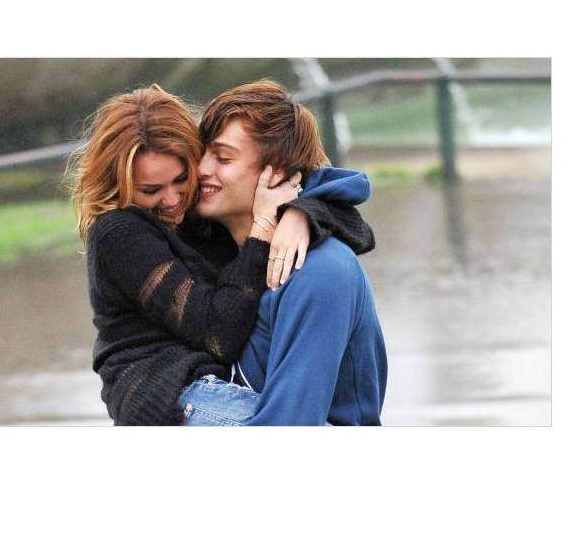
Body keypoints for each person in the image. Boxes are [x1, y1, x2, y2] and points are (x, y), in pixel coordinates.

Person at [68, 84, 374, 426]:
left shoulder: (205, 218)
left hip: (216, 389)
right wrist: (264, 226)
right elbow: (219, 335)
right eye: (151, 190)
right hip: (167, 396)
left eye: (183, 177)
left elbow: (350, 202)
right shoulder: (125, 232)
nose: (173, 200)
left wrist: (301, 212)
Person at [175, 79, 387, 426]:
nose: (201, 170)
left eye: (223, 158)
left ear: (277, 172)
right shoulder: (218, 255)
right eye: (201, 154)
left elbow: (291, 423)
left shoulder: (320, 272)